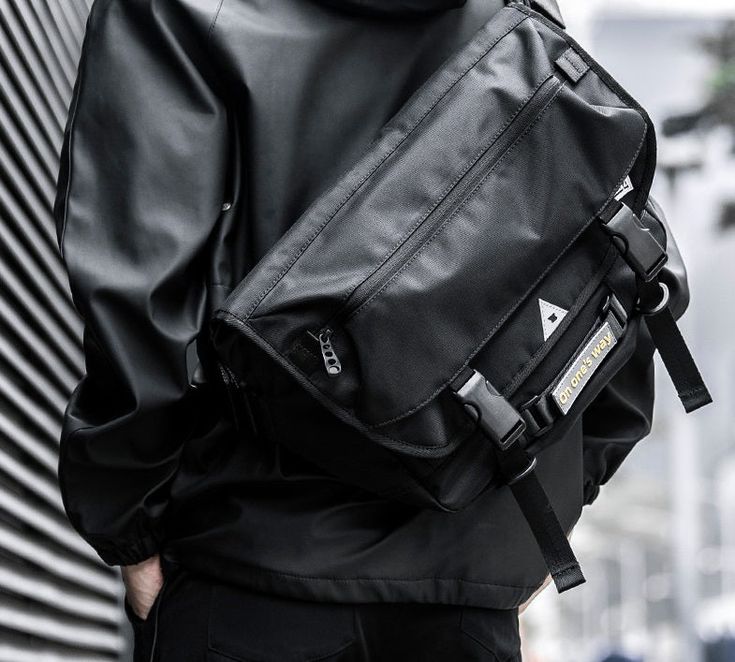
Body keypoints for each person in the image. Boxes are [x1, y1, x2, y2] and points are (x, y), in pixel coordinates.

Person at [53, 0, 689, 659]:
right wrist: (531, 524)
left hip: (245, 561)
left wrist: (130, 526)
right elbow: (609, 261)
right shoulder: (518, 8)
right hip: (461, 579)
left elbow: (138, 279)